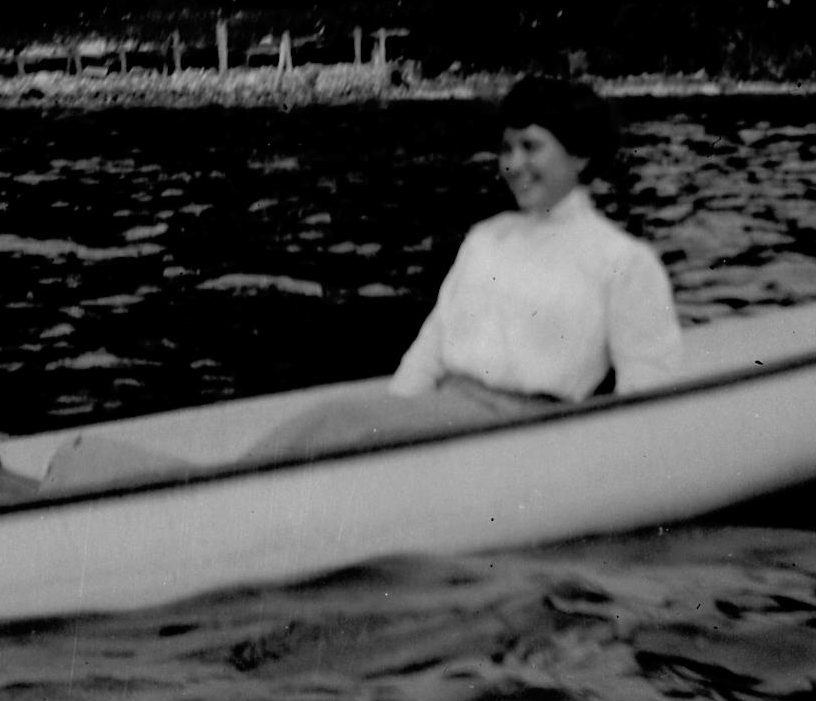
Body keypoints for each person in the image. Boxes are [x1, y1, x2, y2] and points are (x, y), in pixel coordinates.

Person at [233, 76, 683, 467]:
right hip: (447, 416)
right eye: (506, 148)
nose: (513, 165)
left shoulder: (622, 260)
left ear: (579, 156)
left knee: (334, 421)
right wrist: (391, 424)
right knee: (335, 420)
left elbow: (646, 393)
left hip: (527, 437)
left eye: (531, 147)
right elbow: (430, 350)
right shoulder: (488, 237)